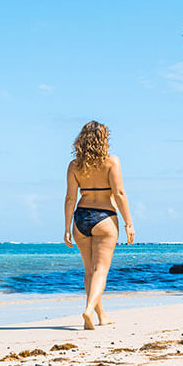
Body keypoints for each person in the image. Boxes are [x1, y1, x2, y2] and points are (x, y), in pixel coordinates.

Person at [63, 121, 134, 330]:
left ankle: (101, 316)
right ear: (104, 140)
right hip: (104, 218)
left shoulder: (74, 165)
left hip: (81, 217)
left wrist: (67, 228)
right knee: (100, 270)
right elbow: (119, 193)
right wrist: (128, 223)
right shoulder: (112, 162)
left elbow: (69, 198)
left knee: (89, 271)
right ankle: (88, 310)